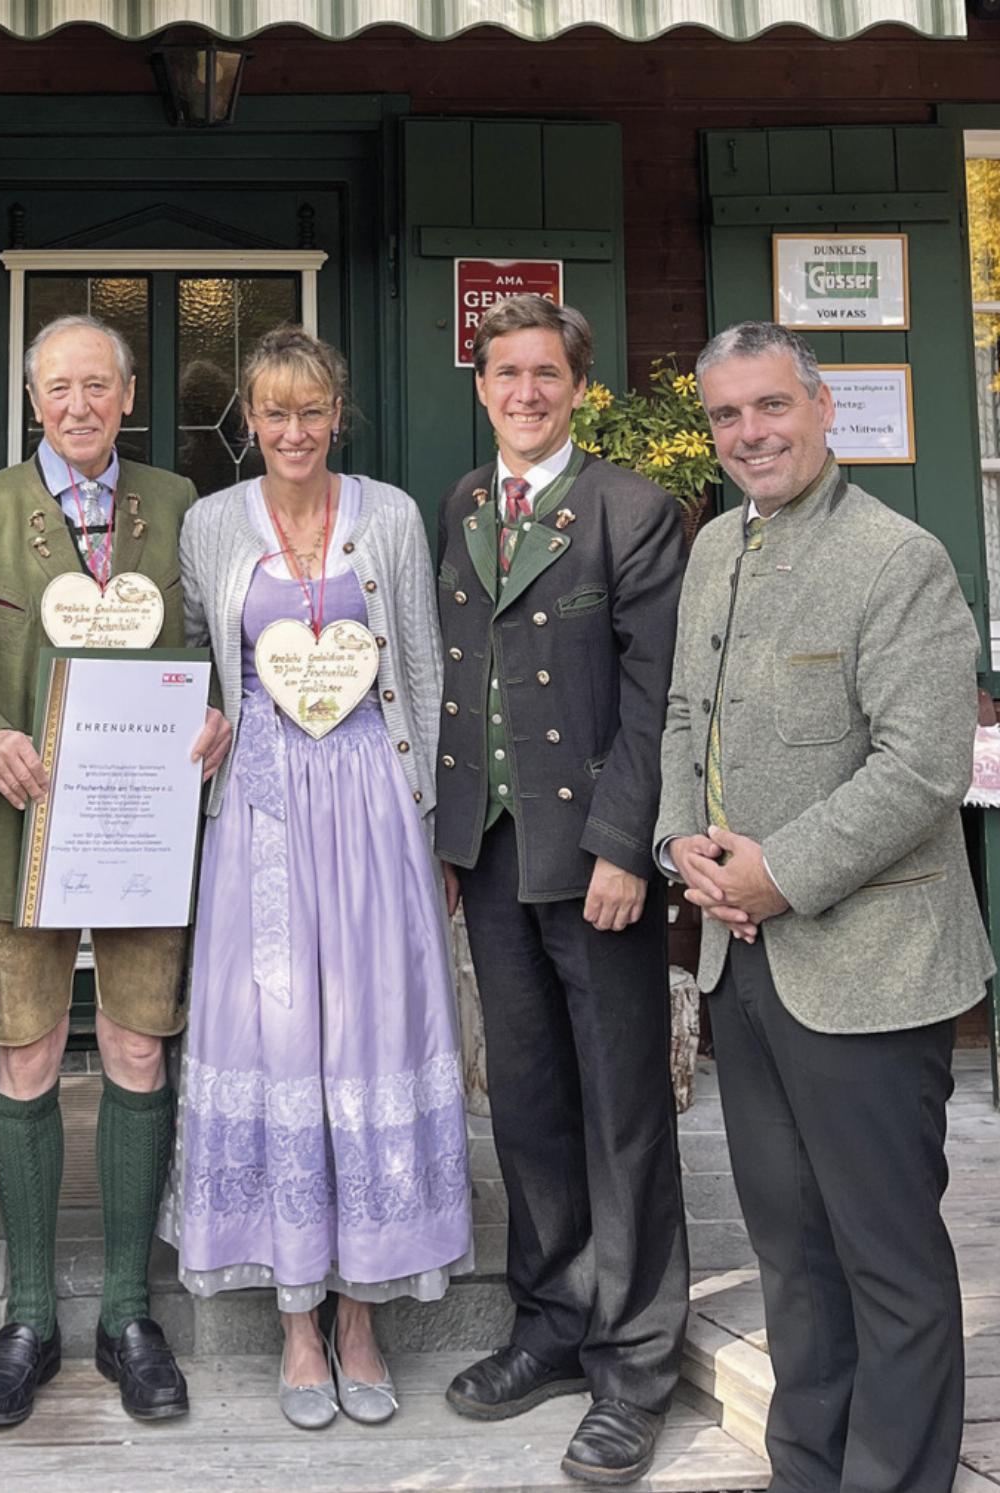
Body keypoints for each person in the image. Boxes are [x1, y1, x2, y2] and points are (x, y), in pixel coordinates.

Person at [658, 321, 989, 1493]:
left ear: (821, 407)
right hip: (740, 962)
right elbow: (685, 719)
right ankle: (805, 1469)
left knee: (886, 1259)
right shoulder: (714, 548)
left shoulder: (899, 557)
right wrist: (680, 846)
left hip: (871, 966)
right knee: (792, 1255)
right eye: (727, 414)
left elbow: (923, 766)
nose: (749, 432)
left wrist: (777, 872)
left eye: (770, 406)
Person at [0, 313, 230, 1428]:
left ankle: (128, 1312)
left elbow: (217, 642)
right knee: (28, 1055)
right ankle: (31, 1314)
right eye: (59, 387)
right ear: (32, 399)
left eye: (99, 385)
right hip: (21, 826)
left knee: (140, 1047)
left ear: (129, 394)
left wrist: (221, 711)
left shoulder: (183, 507)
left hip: (147, 828)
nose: (80, 405)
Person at [160, 327, 473, 1431]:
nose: (293, 431)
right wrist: (203, 711)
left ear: (339, 414)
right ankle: (298, 1314)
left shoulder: (388, 515)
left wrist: (437, 826)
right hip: (260, 810)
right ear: (247, 419)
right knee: (276, 1031)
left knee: (372, 1031)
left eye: (312, 411)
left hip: (376, 804)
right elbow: (196, 655)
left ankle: (362, 1312)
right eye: (274, 412)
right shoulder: (211, 523)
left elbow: (423, 665)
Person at [432, 295, 689, 1485]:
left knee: (622, 1110)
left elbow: (655, 697)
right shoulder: (464, 503)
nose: (525, 391)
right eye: (506, 372)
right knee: (528, 1101)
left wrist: (627, 845)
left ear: (579, 386)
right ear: (481, 386)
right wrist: (449, 833)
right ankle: (548, 1322)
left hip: (596, 861)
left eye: (546, 373)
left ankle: (634, 1366)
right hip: (494, 850)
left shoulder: (630, 510)